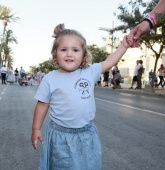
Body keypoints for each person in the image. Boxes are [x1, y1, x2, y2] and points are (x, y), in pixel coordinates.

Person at [31, 23, 139, 170]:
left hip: (86, 135)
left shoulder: (89, 72)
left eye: (75, 50)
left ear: (83, 55)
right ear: (55, 53)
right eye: (63, 50)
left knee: (87, 165)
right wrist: (36, 129)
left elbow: (109, 61)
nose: (69, 54)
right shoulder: (50, 78)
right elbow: (42, 105)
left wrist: (123, 46)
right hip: (60, 136)